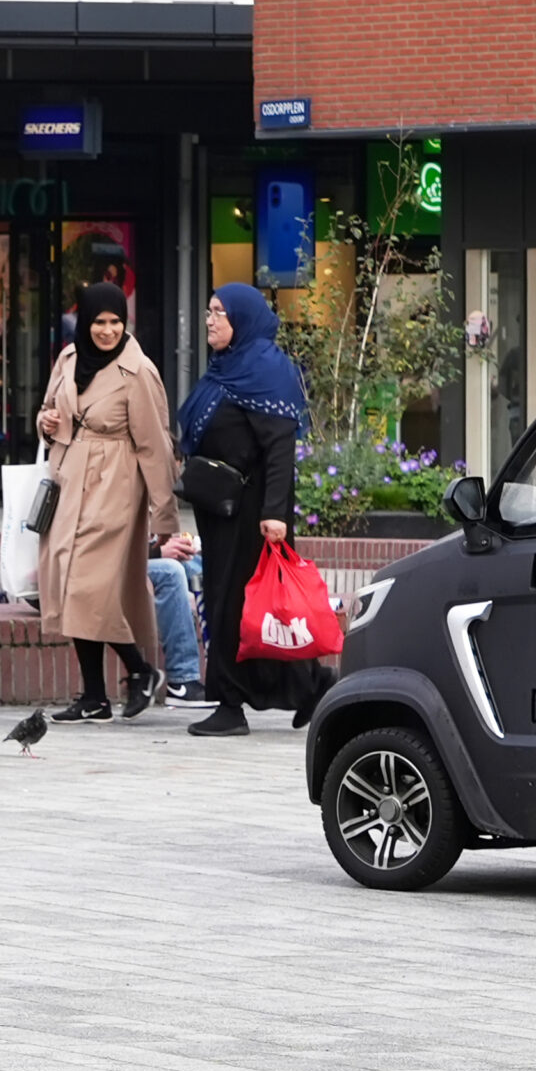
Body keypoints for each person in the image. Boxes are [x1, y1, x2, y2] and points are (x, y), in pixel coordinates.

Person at [180, 283, 330, 737]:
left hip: (253, 513)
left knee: (239, 605)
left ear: (242, 320)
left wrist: (275, 514)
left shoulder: (266, 369)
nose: (210, 320)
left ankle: (229, 703)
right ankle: (312, 687)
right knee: (244, 606)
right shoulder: (227, 367)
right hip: (222, 508)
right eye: (208, 311)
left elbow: (280, 449)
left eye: (220, 313)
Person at [33, 282, 181, 724]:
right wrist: (47, 422)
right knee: (70, 585)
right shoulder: (68, 358)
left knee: (87, 586)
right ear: (85, 321)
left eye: (116, 321)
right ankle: (95, 696)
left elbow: (156, 445)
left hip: (116, 483)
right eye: (99, 321)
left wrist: (164, 515)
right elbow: (49, 412)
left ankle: (140, 670)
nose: (108, 330)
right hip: (69, 478)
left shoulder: (139, 372)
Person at [149, 544, 210, 706]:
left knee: (204, 565)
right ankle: (181, 680)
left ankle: (235, 676)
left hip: (140, 555)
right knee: (171, 571)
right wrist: (156, 551)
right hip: (108, 566)